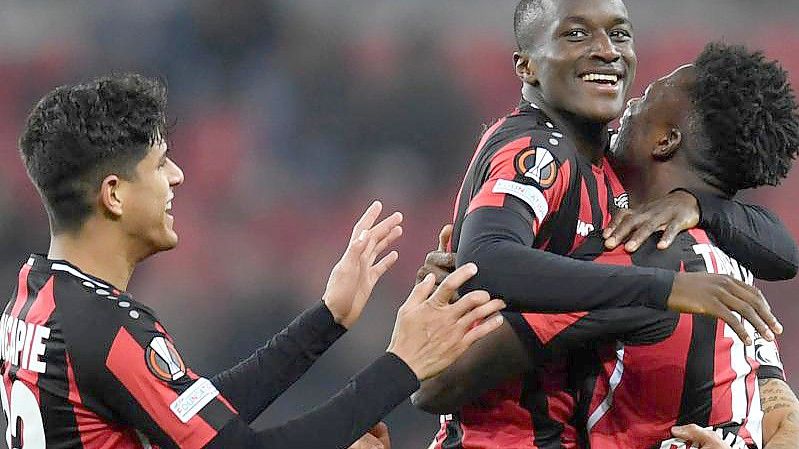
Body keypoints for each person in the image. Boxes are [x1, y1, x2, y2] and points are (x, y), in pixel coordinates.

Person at [0, 73, 507, 449]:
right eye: (160, 164)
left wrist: (327, 320)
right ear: (114, 195)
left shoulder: (33, 296)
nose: (177, 177)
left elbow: (196, 412)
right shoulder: (107, 328)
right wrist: (402, 367)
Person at [411, 0, 798, 447]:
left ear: (665, 140)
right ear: (527, 67)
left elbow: (435, 386)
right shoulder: (541, 151)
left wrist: (696, 212)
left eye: (644, 100)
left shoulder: (641, 247)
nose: (609, 53)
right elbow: (487, 257)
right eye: (576, 34)